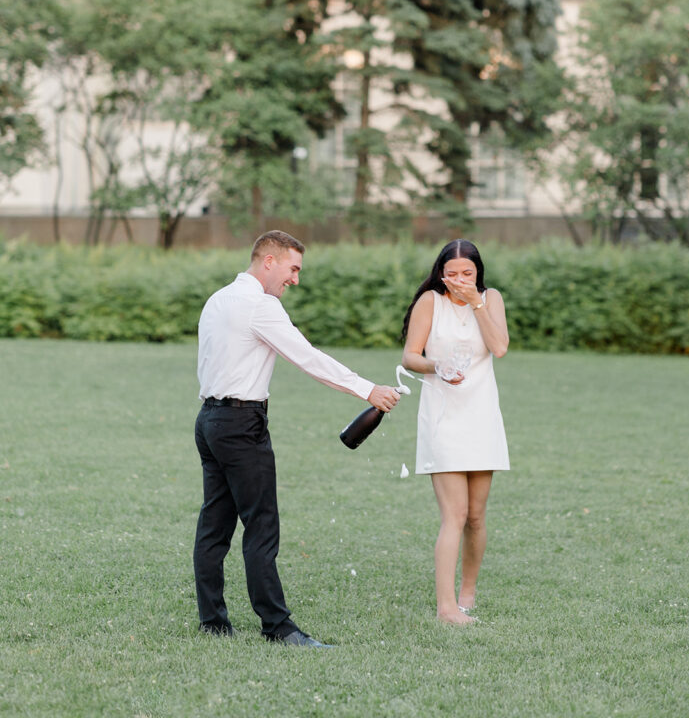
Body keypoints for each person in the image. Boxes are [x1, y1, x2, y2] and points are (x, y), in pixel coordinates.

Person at [193, 230, 400, 647]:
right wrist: (368, 390)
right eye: (293, 268)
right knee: (261, 526)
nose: (296, 279)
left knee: (215, 524)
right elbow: (308, 357)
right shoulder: (260, 306)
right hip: (241, 424)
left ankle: (213, 621)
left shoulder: (218, 299)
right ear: (268, 261)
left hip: (209, 421)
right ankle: (278, 627)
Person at [401, 238, 509, 625]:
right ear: (440, 274)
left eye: (468, 273)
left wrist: (477, 303)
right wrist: (438, 366)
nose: (459, 280)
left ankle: (467, 593)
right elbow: (410, 355)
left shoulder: (490, 299)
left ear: (477, 273)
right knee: (456, 514)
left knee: (477, 516)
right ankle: (446, 609)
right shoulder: (430, 302)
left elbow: (499, 348)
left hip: (481, 416)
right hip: (443, 416)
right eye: (452, 274)